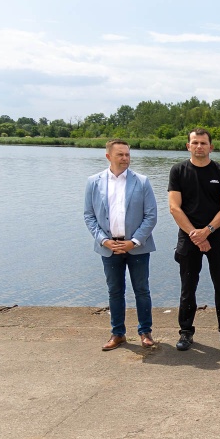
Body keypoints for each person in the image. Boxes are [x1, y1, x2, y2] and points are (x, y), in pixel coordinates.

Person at [168, 128, 220, 351]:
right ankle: (185, 332)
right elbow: (174, 208)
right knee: (188, 286)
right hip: (188, 236)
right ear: (188, 146)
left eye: (203, 143)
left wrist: (207, 231)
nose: (199, 146)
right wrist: (196, 234)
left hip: (216, 235)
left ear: (211, 147)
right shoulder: (178, 171)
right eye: (195, 142)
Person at [83, 139, 158, 351]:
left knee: (142, 290)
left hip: (137, 247)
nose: (125, 158)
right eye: (120, 155)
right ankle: (118, 334)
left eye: (127, 154)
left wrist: (133, 242)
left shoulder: (142, 181)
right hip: (109, 247)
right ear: (109, 156)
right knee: (115, 291)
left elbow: (151, 216)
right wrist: (104, 240)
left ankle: (145, 332)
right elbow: (89, 216)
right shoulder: (93, 182)